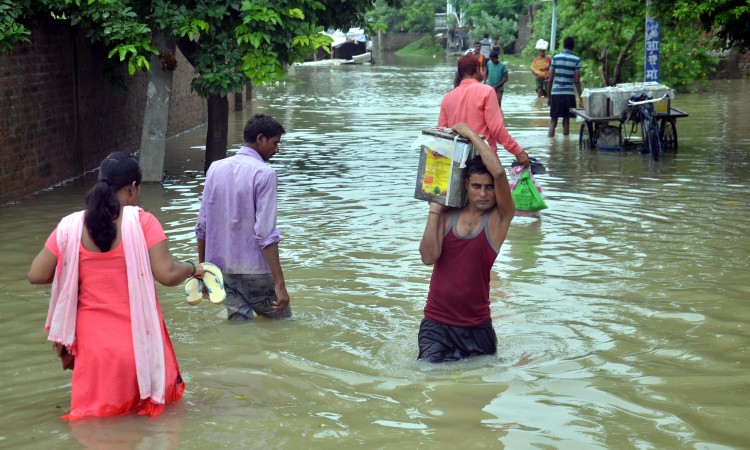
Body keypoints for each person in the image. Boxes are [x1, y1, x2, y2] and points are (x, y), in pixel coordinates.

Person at [28, 152, 205, 420]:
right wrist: (193, 267)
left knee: (97, 429)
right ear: (132, 189)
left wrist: (74, 266)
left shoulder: (70, 228)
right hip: (139, 349)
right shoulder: (143, 223)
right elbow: (167, 274)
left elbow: (36, 274)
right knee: (152, 427)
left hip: (93, 355)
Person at [417, 123, 515, 363]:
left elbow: (500, 174)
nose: (483, 193)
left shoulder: (499, 219)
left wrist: (471, 135)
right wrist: (434, 211)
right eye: (476, 186)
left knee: (477, 392)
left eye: (489, 188)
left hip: (477, 328)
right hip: (436, 324)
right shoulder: (447, 214)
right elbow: (428, 258)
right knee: (427, 376)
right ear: (465, 186)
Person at [196, 113, 292, 321]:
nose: (277, 149)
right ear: (260, 139)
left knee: (239, 331)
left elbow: (202, 227)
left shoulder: (215, 169)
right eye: (275, 143)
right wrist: (280, 284)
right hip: (255, 272)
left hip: (222, 272)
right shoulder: (264, 174)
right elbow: (266, 234)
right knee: (284, 329)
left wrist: (203, 271)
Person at [439, 54, 529, 166]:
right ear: (478, 69)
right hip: (483, 161)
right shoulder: (487, 91)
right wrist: (518, 152)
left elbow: (441, 133)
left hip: (456, 161)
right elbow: (497, 129)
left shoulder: (448, 97)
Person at [547, 36, 583, 137]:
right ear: (573, 46)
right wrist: (581, 97)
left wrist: (549, 96)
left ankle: (551, 146)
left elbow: (550, 79)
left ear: (563, 45)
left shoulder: (555, 58)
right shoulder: (576, 60)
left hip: (556, 93)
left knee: (553, 121)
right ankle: (566, 147)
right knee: (566, 120)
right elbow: (577, 81)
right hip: (569, 94)